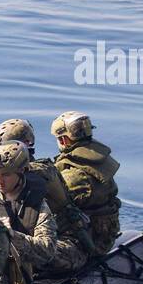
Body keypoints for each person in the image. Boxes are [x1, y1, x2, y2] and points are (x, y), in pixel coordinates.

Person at [47, 112, 121, 270]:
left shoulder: (74, 175)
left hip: (86, 242)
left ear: (63, 139)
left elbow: (49, 204)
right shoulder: (96, 161)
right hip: (104, 233)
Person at [0, 140, 56, 278]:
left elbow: (47, 251)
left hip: (18, 266)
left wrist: (12, 234)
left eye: (6, 174)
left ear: (21, 171)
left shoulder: (37, 203)